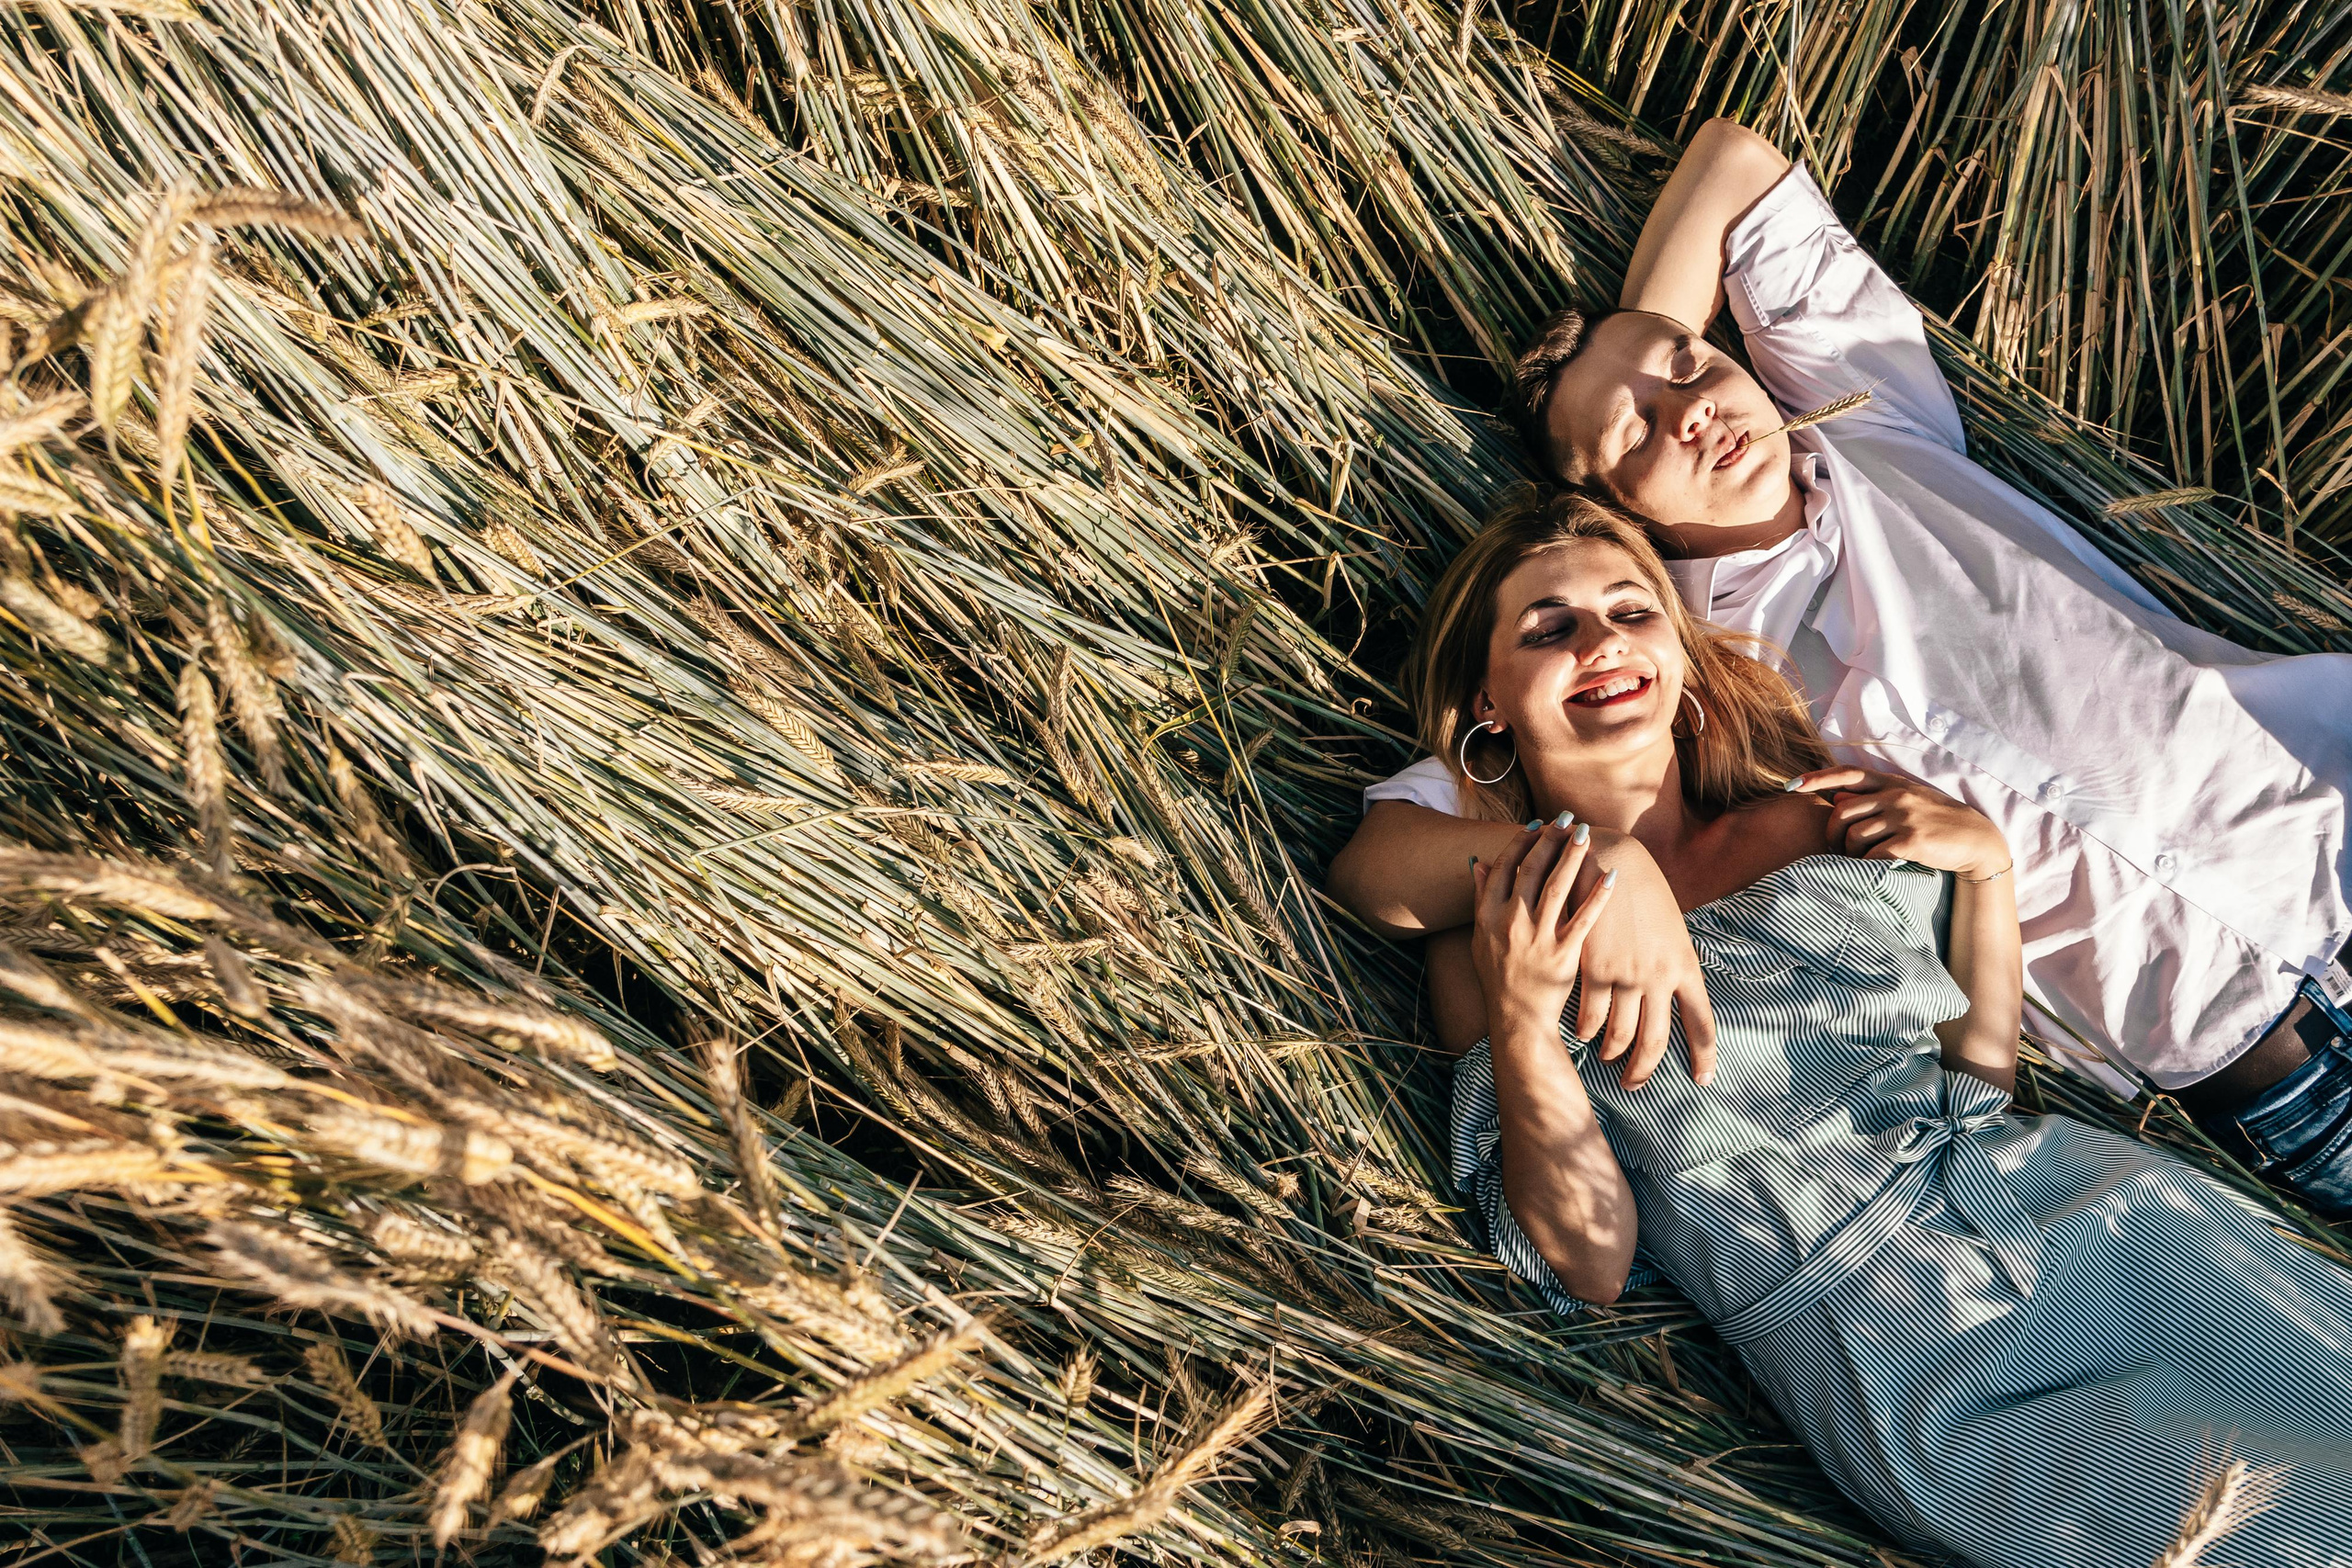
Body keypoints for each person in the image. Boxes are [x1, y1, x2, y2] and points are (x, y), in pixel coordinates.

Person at [1328, 118, 2352, 1212]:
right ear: (1610, 513)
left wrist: (1643, 355)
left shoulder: (1873, 426)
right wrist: (1596, 862)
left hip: (2325, 814)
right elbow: (1382, 862)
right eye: (1639, 436)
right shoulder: (1668, 665)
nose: (1692, 414)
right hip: (2263, 1065)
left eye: (1693, 368)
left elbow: (1731, 162)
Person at [1399, 493, 2352, 1568]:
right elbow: (1589, 1266)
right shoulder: (1499, 934)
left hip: (2100, 1223)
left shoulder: (1811, 815)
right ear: (1486, 701)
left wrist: (1985, 869)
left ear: (1677, 648)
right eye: (1550, 628)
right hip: (1895, 1352)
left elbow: (1973, 1090)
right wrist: (1527, 1022)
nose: (1603, 642)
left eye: (1631, 611)